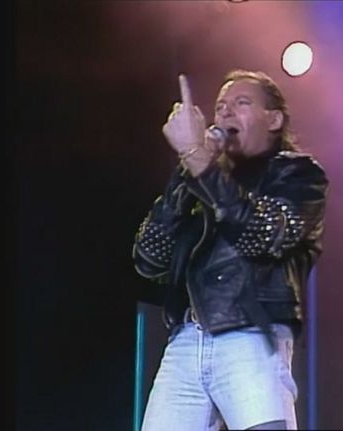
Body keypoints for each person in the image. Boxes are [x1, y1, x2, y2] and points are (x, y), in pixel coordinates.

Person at [133, 69, 328, 430]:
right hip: (186, 340)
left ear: (274, 119)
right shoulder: (200, 179)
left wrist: (197, 158)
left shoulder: (298, 175)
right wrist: (187, 170)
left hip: (250, 332)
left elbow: (263, 236)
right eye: (220, 106)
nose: (225, 112)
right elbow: (149, 258)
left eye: (241, 103)